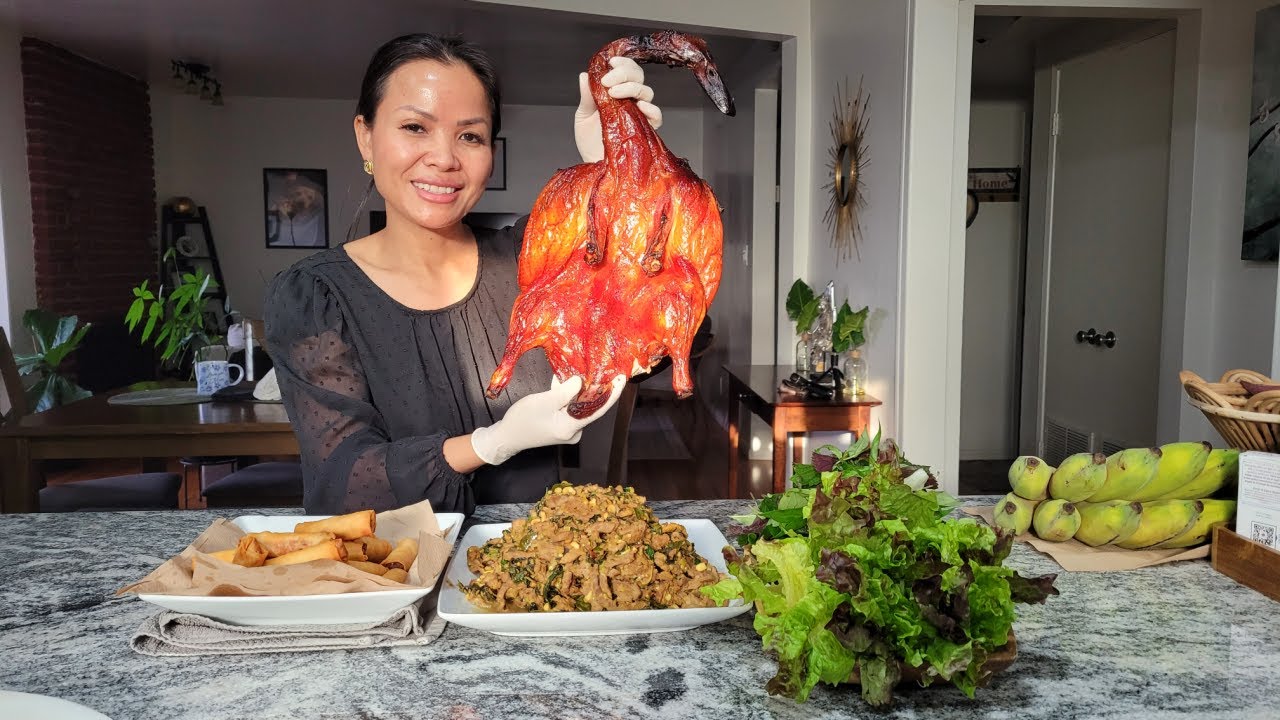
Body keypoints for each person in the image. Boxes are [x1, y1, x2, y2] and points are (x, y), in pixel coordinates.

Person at [264, 33, 665, 515]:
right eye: (415, 127)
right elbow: (344, 480)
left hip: (531, 566)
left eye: (470, 135)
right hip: (392, 577)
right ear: (365, 135)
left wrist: (624, 175)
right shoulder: (314, 296)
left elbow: (649, 333)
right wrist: (491, 443)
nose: (445, 158)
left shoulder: (532, 257)